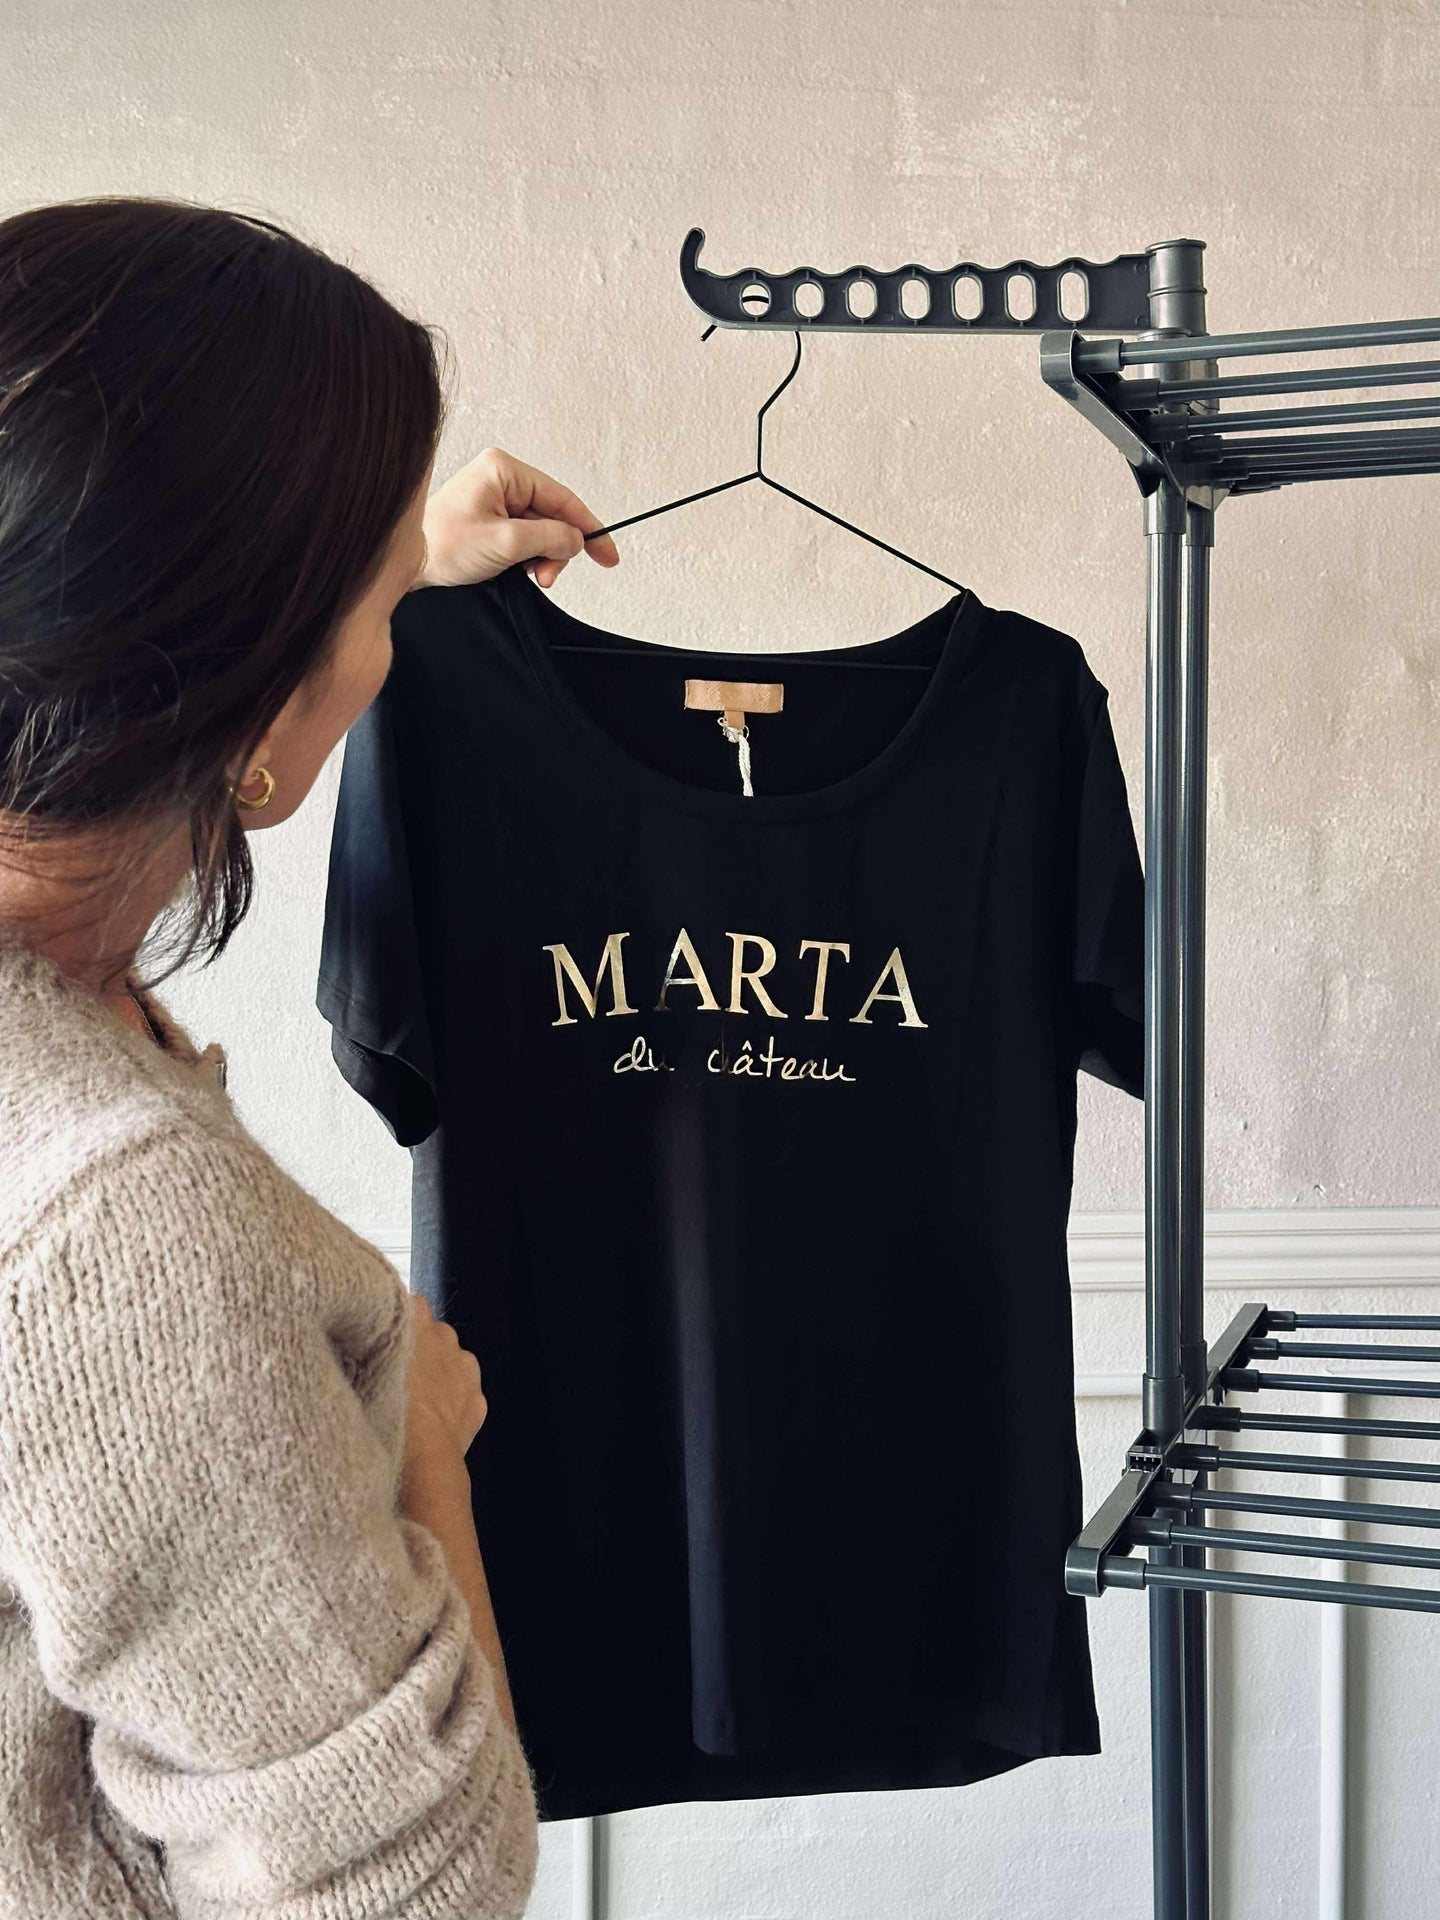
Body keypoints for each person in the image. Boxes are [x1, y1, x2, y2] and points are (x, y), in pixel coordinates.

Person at [0, 194, 620, 1919]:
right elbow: (411, 1891)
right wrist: (420, 1440)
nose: (395, 631)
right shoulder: (112, 1222)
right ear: (262, 711)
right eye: (376, 600)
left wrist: (381, 561)